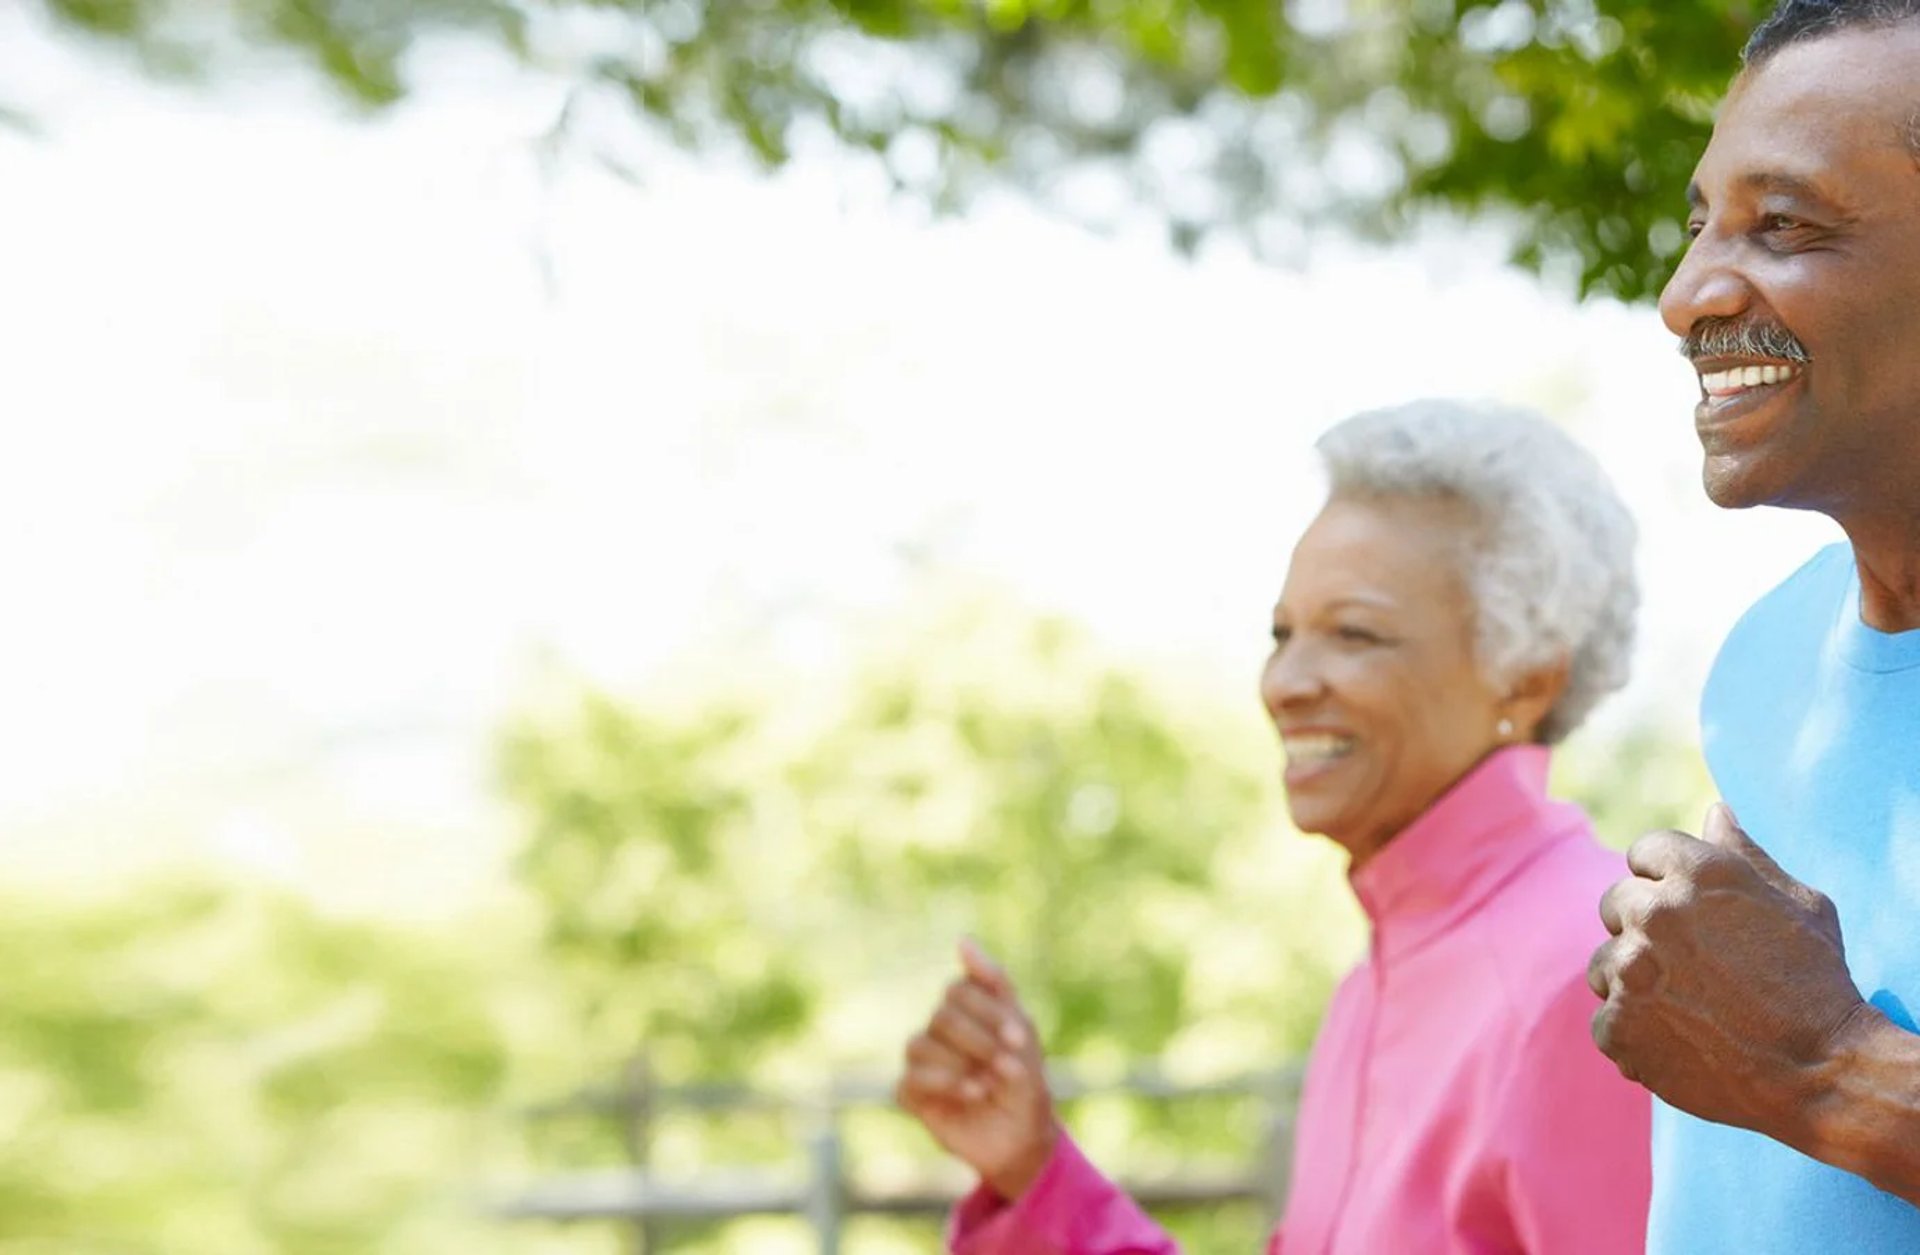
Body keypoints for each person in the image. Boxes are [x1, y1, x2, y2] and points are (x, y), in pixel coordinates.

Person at [897, 400, 1651, 1253]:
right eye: (1282, 633)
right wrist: (1035, 1173)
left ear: (1524, 678)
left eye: (1354, 634)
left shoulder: (1583, 976)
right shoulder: (1381, 977)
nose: (1284, 681)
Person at [1585, 2, 1920, 1249]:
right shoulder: (1767, 663)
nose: (1686, 297)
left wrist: (1830, 1069)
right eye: (1699, 225)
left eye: (1783, 225)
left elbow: (1791, 1062)